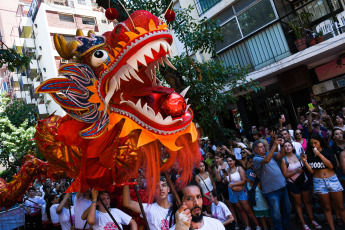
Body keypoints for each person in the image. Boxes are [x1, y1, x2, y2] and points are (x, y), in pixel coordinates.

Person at [301, 133, 345, 230]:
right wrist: (305, 162)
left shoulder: (327, 150)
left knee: (341, 207)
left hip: (332, 180)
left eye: (315, 143)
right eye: (312, 144)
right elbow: (312, 171)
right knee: (327, 208)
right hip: (319, 181)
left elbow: (331, 166)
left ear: (320, 142)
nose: (314, 145)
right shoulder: (309, 153)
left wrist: (320, 155)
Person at [280, 141, 321, 230]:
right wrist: (295, 171)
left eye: (289, 145)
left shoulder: (298, 156)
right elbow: (285, 175)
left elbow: (304, 166)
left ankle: (312, 220)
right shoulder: (284, 160)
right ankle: (303, 223)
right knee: (298, 203)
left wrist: (304, 161)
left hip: (304, 180)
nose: (287, 147)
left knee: (307, 201)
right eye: (285, 146)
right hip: (293, 183)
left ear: (292, 147)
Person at [253, 139, 291, 230]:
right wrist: (274, 145)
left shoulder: (267, 154)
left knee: (287, 209)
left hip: (282, 186)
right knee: (276, 214)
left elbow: (282, 155)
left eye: (263, 146)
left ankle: (286, 227)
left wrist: (281, 146)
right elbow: (266, 160)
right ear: (255, 150)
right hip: (271, 191)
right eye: (260, 147)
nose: (263, 148)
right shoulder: (256, 159)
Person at [226, 155, 261, 230]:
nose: (229, 162)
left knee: (248, 210)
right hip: (232, 192)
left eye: (231, 161)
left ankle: (257, 225)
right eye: (228, 161)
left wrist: (234, 184)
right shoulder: (228, 170)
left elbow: (244, 180)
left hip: (241, 191)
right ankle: (248, 226)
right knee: (240, 210)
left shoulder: (239, 168)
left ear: (234, 161)